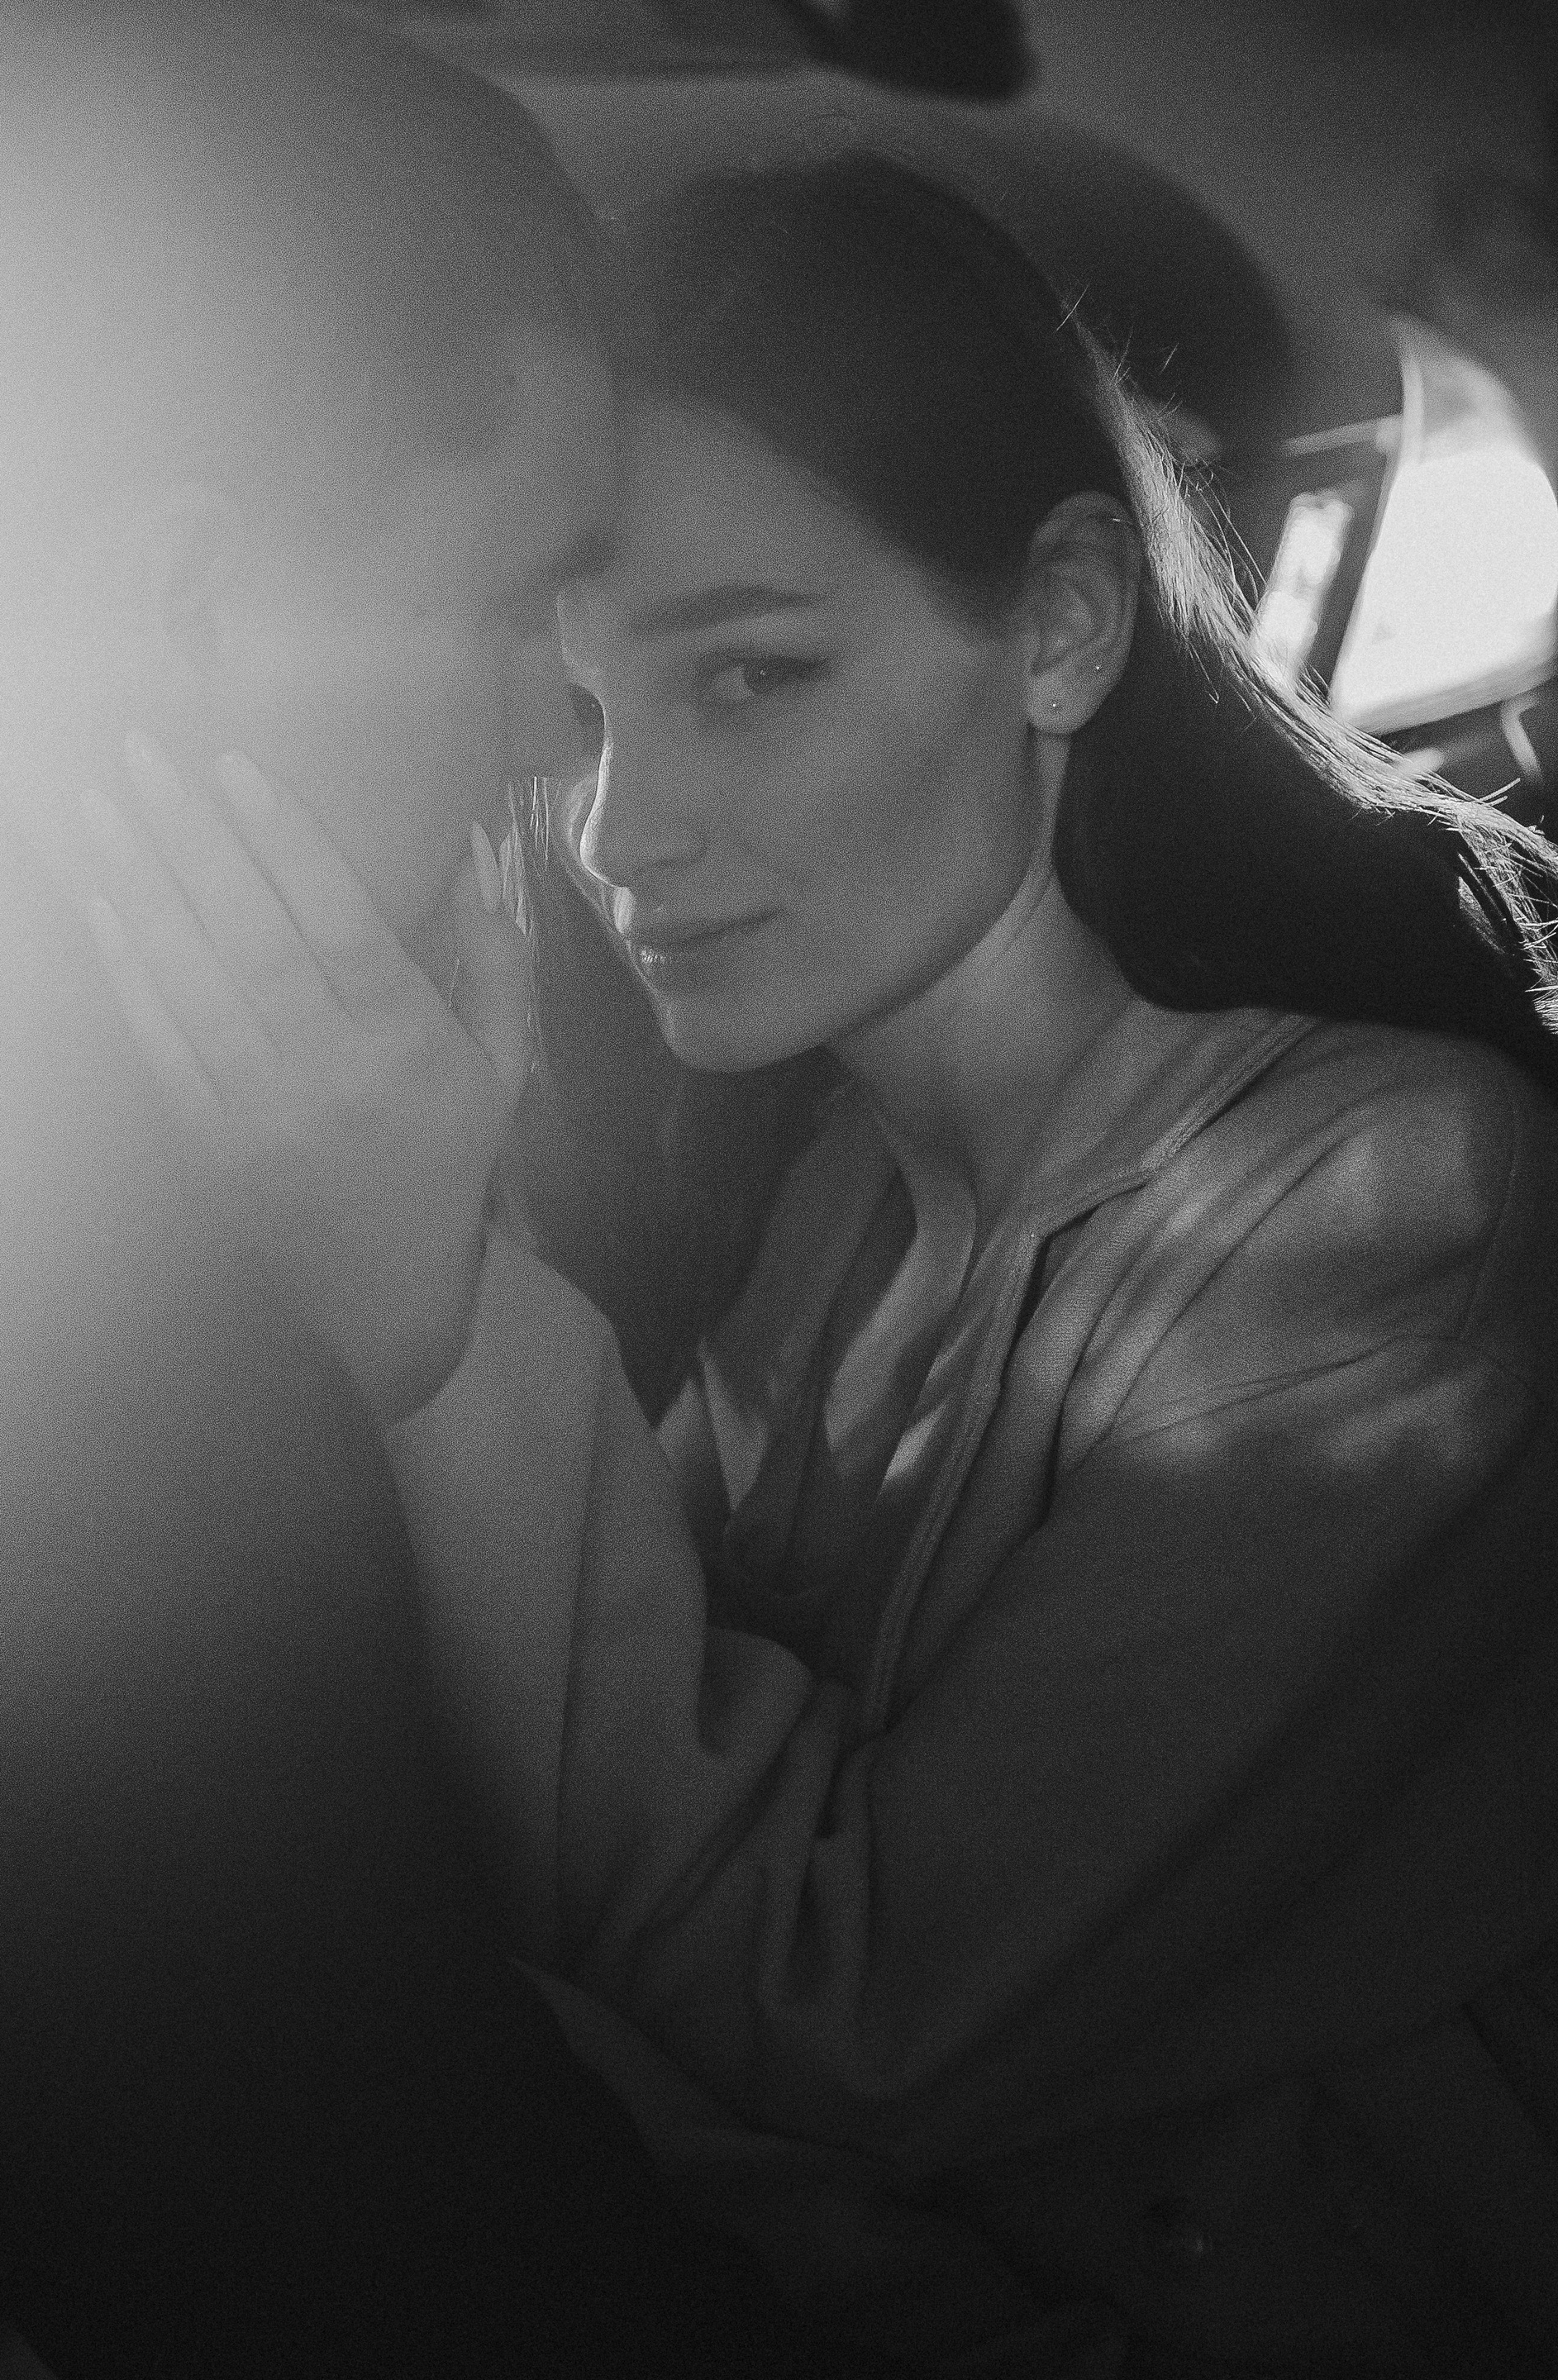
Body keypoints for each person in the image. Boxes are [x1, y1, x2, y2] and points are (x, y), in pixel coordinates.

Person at [79, 152, 1558, 2377]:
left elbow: (845, 2016)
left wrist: (435, 1308)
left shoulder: (1391, 1200)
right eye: (581, 712)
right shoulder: (827, 1202)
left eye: (750, 677)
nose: (620, 834)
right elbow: (571, 1882)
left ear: (1060, 625)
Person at [0, 9, 888, 2373]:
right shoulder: (85, 1371)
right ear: (185, 609)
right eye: (508, 608)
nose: (558, 733)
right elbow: (394, 2207)